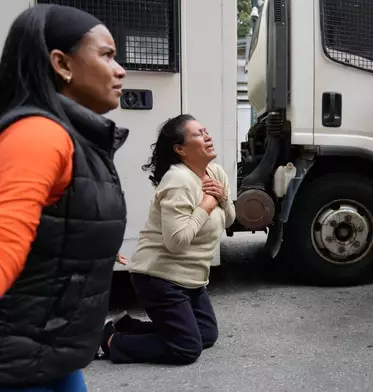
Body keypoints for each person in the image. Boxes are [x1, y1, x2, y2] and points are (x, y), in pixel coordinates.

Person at [0, 4, 128, 391]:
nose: (120, 69)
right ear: (62, 64)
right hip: (17, 364)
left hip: (49, 354)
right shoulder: (40, 135)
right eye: (107, 55)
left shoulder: (75, 137)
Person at [98, 114, 236, 365]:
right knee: (186, 348)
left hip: (190, 278)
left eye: (206, 130)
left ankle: (126, 326)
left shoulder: (216, 172)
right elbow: (176, 241)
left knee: (206, 334)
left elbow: (228, 221)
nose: (208, 136)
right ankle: (110, 341)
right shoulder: (178, 181)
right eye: (198, 134)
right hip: (158, 277)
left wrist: (224, 199)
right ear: (180, 149)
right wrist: (206, 205)